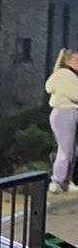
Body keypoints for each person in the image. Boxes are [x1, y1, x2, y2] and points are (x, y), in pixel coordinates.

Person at [45, 48, 78, 194]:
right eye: (76, 60)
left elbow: (49, 87)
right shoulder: (66, 74)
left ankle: (65, 181)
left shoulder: (60, 74)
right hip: (66, 112)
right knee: (66, 150)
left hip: (62, 113)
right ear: (68, 61)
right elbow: (74, 94)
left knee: (71, 149)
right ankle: (57, 180)